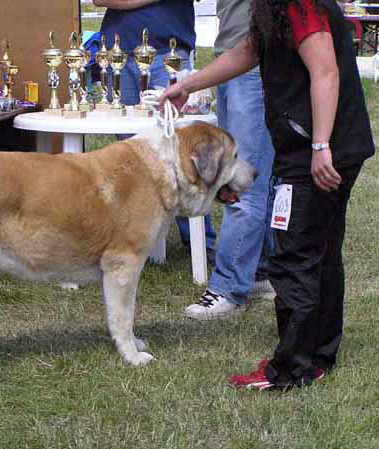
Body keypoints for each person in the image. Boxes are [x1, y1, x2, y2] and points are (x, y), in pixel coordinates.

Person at [159, 0, 375, 390]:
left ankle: (290, 369)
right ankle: (318, 355)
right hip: (330, 145)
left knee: (295, 256)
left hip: (316, 149)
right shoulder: (277, 8)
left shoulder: (300, 3)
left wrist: (320, 145)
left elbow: (325, 71)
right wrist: (189, 85)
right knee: (322, 252)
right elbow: (249, 51)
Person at [93, 0, 218, 260]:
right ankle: (137, 235)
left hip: (168, 53)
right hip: (119, 51)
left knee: (182, 148)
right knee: (130, 156)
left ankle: (198, 242)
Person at [182, 0, 276, 320]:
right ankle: (261, 271)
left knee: (241, 180)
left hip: (249, 61)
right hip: (232, 57)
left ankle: (228, 287)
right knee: (258, 176)